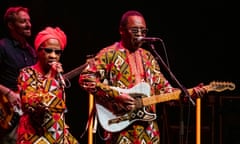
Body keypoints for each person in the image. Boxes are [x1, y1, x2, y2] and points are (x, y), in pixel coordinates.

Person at [78, 10, 207, 144]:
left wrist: (188, 94)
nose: (140, 34)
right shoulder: (108, 54)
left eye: (143, 31)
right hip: (120, 128)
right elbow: (86, 79)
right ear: (121, 30)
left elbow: (164, 90)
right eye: (135, 30)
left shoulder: (149, 57)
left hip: (148, 130)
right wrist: (115, 95)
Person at [16, 26, 79, 144]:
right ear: (38, 50)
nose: (53, 56)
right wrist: (50, 77)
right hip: (34, 138)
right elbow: (32, 105)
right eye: (48, 50)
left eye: (58, 52)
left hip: (56, 137)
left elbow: (57, 113)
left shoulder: (58, 78)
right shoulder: (27, 73)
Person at [0, 6, 37, 144]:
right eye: (23, 21)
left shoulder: (32, 52)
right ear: (11, 25)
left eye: (29, 21)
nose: (29, 25)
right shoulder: (3, 46)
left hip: (27, 114)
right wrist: (8, 93)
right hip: (7, 114)